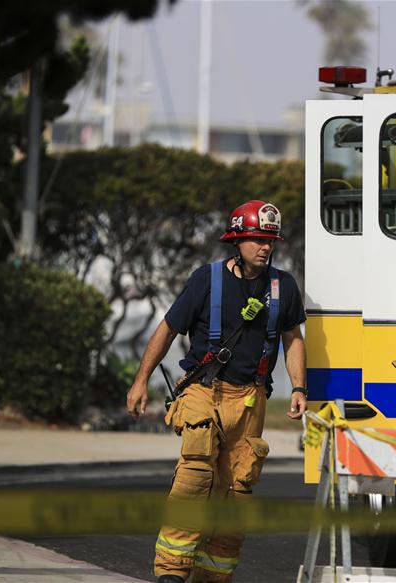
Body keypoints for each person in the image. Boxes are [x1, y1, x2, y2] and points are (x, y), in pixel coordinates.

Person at [126, 200, 307, 583]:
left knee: (235, 493)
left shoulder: (284, 287)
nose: (265, 247)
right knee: (194, 477)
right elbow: (167, 329)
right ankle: (171, 573)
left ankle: (213, 575)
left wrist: (299, 387)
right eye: (257, 239)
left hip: (251, 399)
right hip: (203, 391)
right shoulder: (206, 280)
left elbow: (293, 340)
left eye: (270, 240)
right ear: (237, 241)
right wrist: (141, 380)